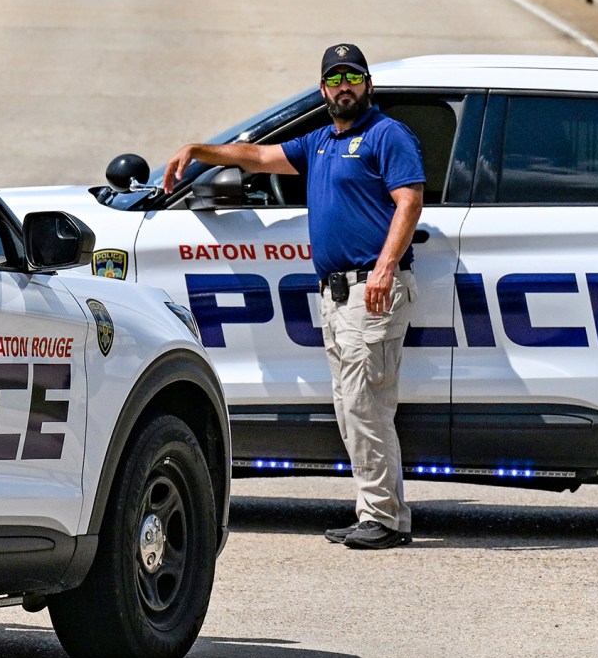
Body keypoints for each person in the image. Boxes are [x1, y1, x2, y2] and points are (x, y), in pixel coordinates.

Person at [163, 43, 424, 551]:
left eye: (353, 77)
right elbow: (259, 156)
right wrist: (198, 151)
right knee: (353, 408)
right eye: (334, 79)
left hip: (371, 289)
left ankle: (387, 519)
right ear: (324, 89)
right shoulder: (321, 141)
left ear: (367, 85)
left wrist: (385, 269)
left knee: (365, 405)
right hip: (336, 295)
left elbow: (408, 200)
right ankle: (375, 512)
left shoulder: (387, 136)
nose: (343, 86)